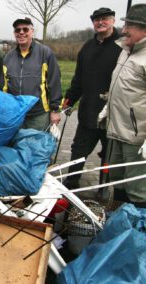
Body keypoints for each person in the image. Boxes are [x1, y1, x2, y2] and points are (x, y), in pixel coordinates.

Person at [62, 8, 122, 189]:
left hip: (113, 115)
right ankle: (70, 185)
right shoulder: (87, 48)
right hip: (88, 112)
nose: (100, 22)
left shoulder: (123, 46)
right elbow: (78, 78)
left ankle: (106, 188)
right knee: (78, 151)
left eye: (104, 19)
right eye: (96, 20)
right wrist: (69, 100)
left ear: (112, 20)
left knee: (110, 156)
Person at [100, 4, 146, 207]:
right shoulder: (125, 51)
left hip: (136, 139)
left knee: (137, 189)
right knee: (117, 180)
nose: (124, 29)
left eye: (130, 25)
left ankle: (137, 231)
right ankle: (118, 221)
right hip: (116, 131)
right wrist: (107, 108)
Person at [1, 17, 62, 131]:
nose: (21, 32)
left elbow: (54, 82)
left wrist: (55, 110)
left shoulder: (45, 53)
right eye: (18, 30)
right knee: (17, 146)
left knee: (36, 148)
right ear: (14, 33)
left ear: (32, 32)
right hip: (16, 114)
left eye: (25, 29)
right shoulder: (7, 57)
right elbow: (4, 88)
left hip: (38, 115)